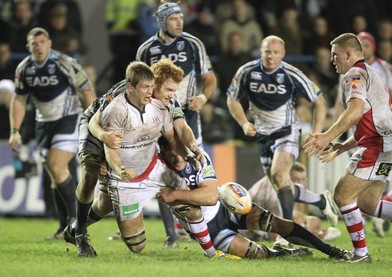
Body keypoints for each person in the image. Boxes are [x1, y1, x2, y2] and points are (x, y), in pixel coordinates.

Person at [65, 59, 212, 257]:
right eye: (168, 89)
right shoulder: (120, 95)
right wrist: (103, 152)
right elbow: (95, 122)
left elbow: (181, 128)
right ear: (155, 83)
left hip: (128, 142)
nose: (173, 95)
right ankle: (81, 235)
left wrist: (189, 150)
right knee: (91, 172)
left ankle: (73, 228)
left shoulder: (167, 102)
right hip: (97, 128)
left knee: (107, 202)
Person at [155, 137, 352, 260]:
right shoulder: (159, 173)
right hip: (210, 231)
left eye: (179, 151)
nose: (177, 157)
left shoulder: (200, 159)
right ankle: (281, 254)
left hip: (226, 208)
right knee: (257, 254)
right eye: (171, 154)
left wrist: (175, 194)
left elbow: (209, 196)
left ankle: (332, 251)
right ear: (162, 153)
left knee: (280, 224)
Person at [304, 33, 392, 263]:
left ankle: (361, 255)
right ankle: (361, 253)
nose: (333, 60)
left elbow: (354, 112)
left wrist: (326, 136)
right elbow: (371, 120)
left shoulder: (354, 73)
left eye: (335, 55)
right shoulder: (370, 73)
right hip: (384, 143)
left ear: (348, 54)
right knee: (367, 203)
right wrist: (343, 145)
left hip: (379, 146)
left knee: (342, 195)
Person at [136, 1, 217, 245]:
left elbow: (210, 78)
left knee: (192, 172)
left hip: (188, 118)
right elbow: (137, 82)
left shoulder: (194, 44)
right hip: (157, 119)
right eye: (173, 18)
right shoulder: (146, 49)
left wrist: (202, 97)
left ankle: (196, 226)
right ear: (161, 22)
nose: (179, 22)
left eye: (181, 18)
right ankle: (172, 235)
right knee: (165, 172)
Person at [227, 35, 327, 222]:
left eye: (275, 52)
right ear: (261, 52)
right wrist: (243, 122)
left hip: (287, 131)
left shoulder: (292, 73)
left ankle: (286, 231)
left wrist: (317, 132)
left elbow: (320, 102)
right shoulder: (246, 71)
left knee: (279, 175)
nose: (271, 56)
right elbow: (232, 98)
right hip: (262, 134)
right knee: (279, 183)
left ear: (283, 54)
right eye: (267, 52)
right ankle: (321, 201)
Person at [9, 27, 96, 240]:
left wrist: (93, 124)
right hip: (43, 124)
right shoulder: (24, 69)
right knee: (55, 176)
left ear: (49, 43)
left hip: (69, 119)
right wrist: (15, 130)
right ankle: (63, 227)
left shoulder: (64, 63)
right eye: (34, 43)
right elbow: (19, 99)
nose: (38, 46)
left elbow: (86, 90)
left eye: (42, 41)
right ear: (28, 47)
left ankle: (78, 225)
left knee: (56, 166)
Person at [245, 162, 341, 242]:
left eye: (303, 179)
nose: (300, 183)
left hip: (268, 223)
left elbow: (300, 214)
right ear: (287, 177)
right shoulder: (275, 193)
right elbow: (278, 228)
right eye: (296, 180)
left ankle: (314, 233)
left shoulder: (288, 188)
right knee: (305, 225)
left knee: (314, 221)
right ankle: (317, 234)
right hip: (254, 231)